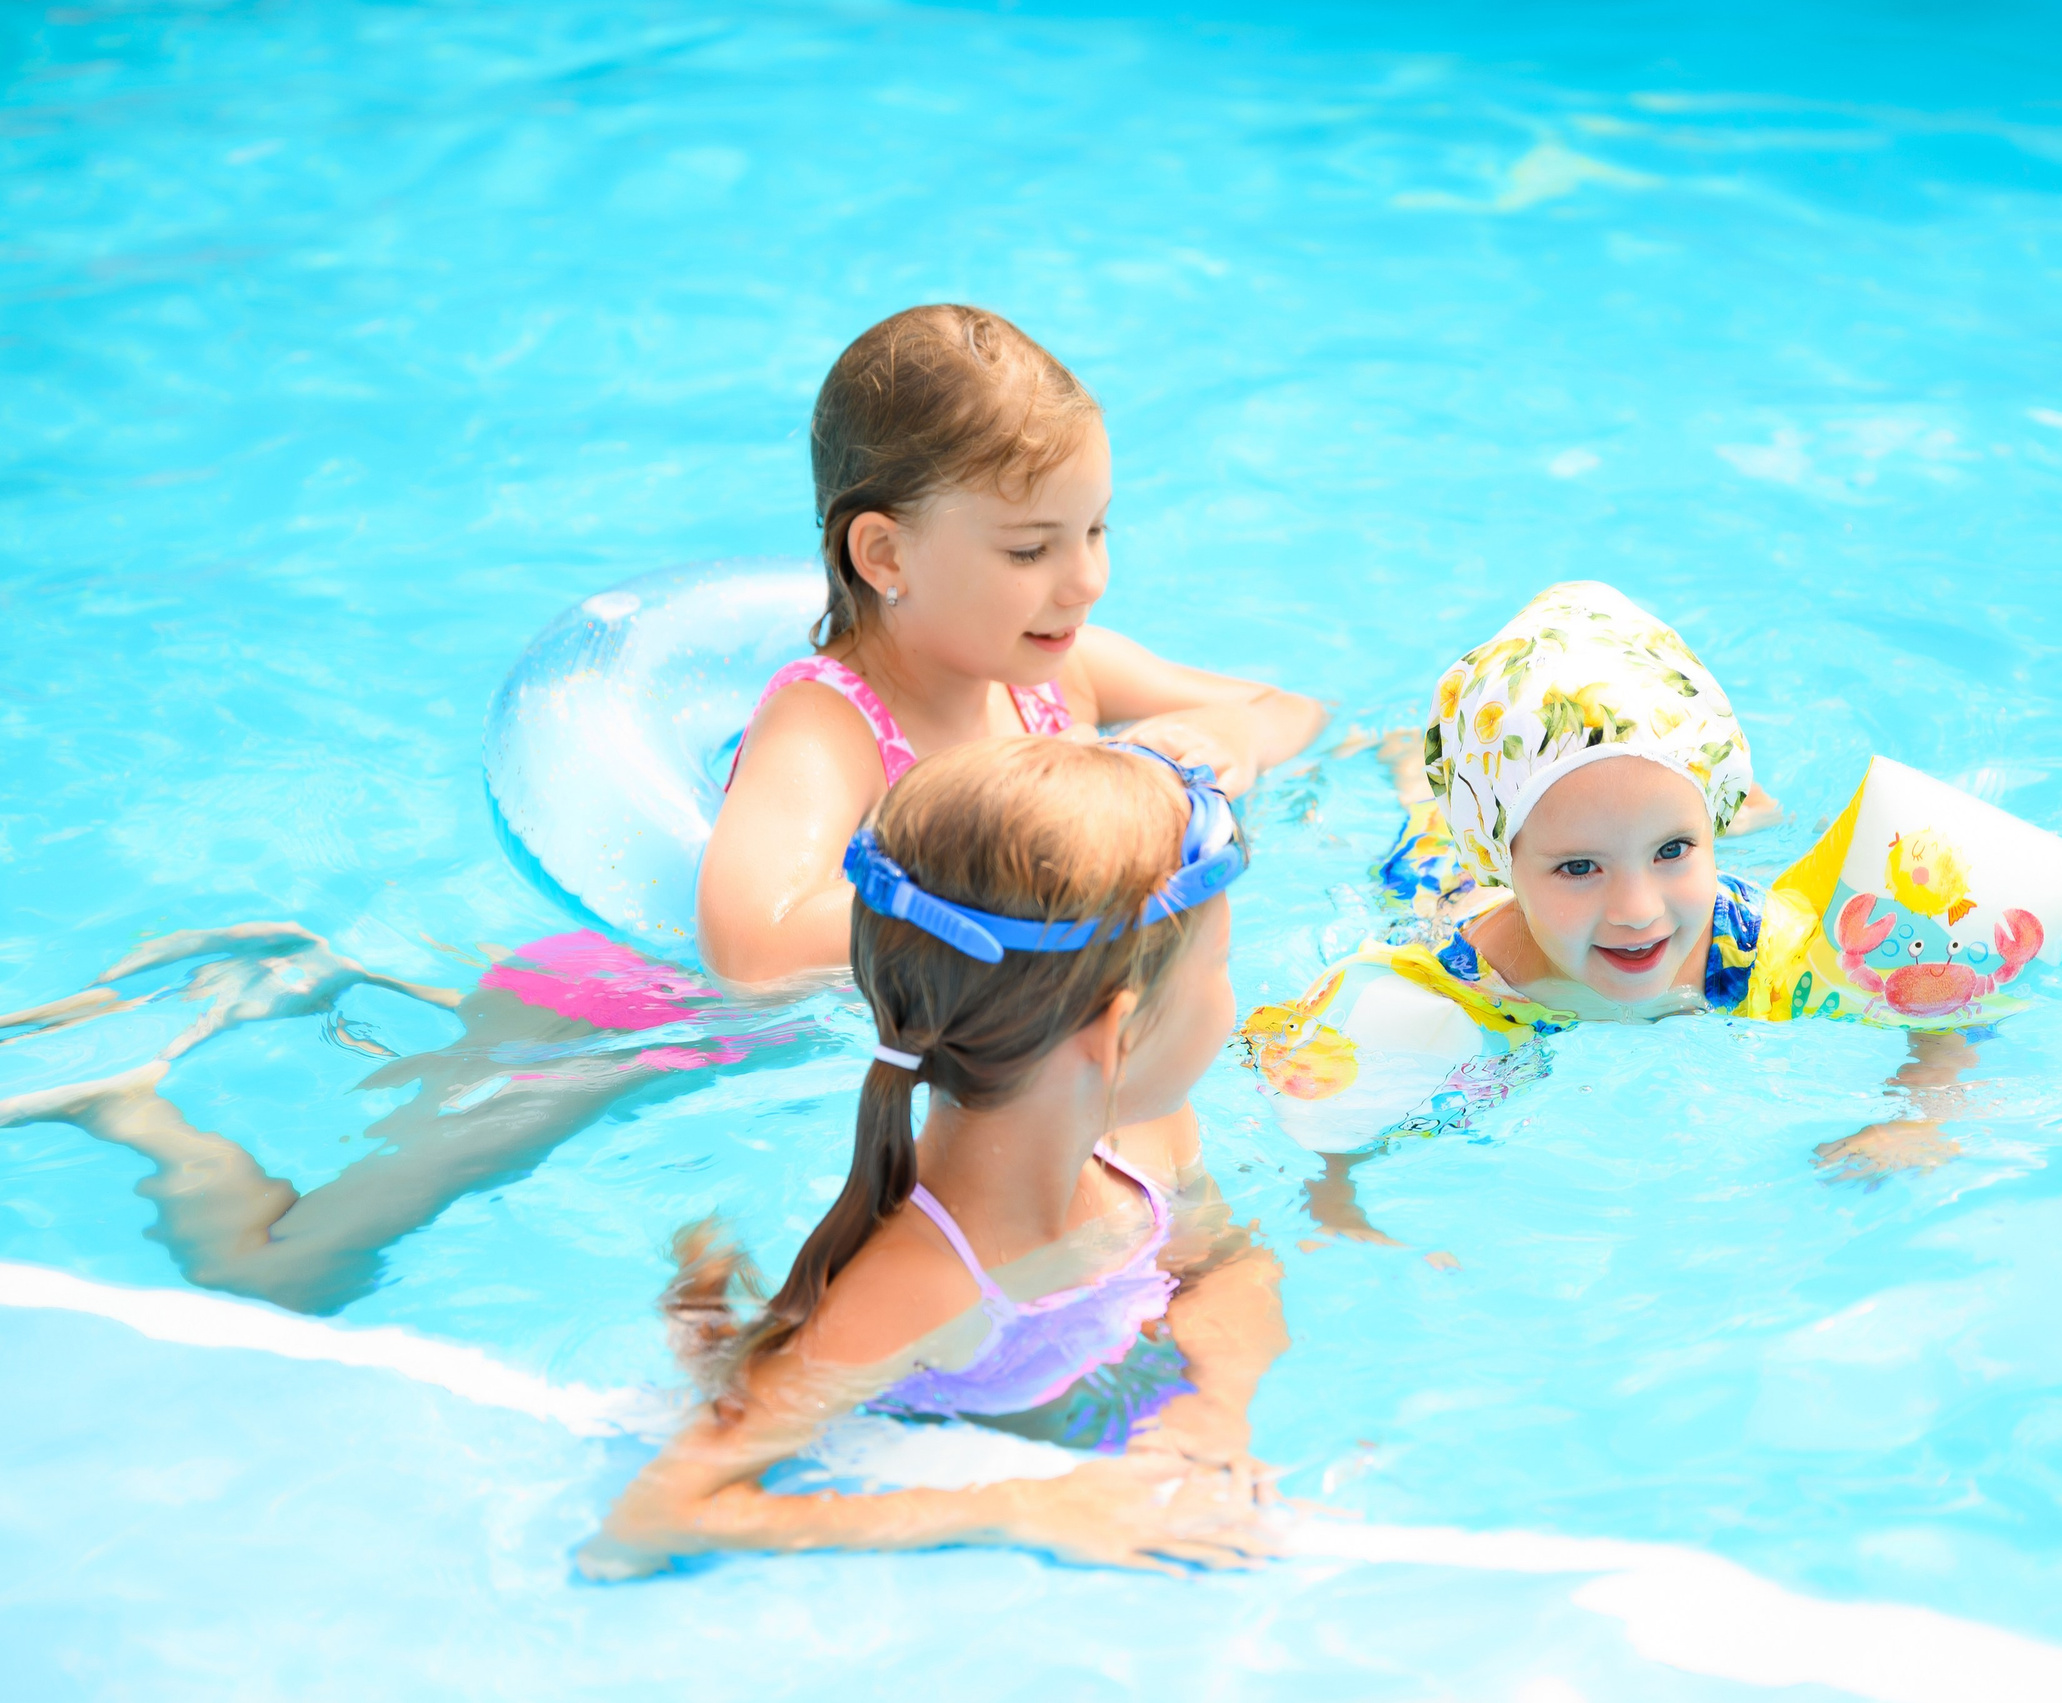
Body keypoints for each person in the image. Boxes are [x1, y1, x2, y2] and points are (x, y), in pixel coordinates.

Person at [580, 737, 1286, 1577]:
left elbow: (1223, 1264)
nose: (1235, 998)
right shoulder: (919, 1286)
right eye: (1223, 966)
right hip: (953, 1441)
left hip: (1101, 1409)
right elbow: (653, 1517)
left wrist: (1220, 1402)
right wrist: (1018, 1507)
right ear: (1113, 1033)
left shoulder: (1145, 1134)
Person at [1243, 582, 1973, 1241]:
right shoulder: (1454, 988)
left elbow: (1956, 1014)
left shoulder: (1763, 951)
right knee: (1424, 853)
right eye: (1579, 867)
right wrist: (1345, 1215)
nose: (1637, 909)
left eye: (1674, 849)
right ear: (1505, 857)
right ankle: (1411, 771)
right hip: (1448, 897)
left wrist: (1920, 1117)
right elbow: (1324, 1147)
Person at [700, 304, 1328, 983]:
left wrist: (1233, 735)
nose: (1087, 582)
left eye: (1096, 531)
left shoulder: (1055, 676)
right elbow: (751, 948)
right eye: (1030, 550)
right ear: (885, 555)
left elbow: (1294, 709)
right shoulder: (828, 728)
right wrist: (1018, 864)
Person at [0, 923, 818, 1315]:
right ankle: (128, 1105)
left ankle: (341, 972)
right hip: (623, 1019)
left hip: (601, 989)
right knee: (278, 1268)